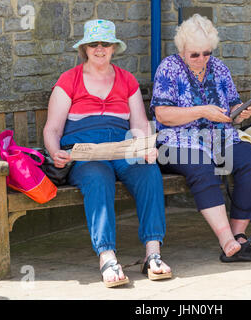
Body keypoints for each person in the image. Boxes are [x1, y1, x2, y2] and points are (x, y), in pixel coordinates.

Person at [43, 19, 172, 288]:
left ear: (114, 48)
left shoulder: (127, 80)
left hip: (122, 149)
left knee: (149, 172)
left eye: (105, 44)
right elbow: (53, 128)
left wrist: (144, 146)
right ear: (85, 49)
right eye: (93, 44)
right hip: (86, 153)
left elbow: (137, 124)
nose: (99, 49)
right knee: (98, 179)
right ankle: (107, 256)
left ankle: (153, 253)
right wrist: (55, 152)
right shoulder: (70, 80)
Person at [150, 14, 251, 263]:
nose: (202, 59)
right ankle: (226, 239)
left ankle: (239, 237)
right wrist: (202, 111)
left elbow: (232, 106)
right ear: (182, 50)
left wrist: (240, 113)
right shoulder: (168, 68)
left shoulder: (219, 68)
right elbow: (162, 113)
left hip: (219, 138)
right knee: (201, 166)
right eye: (195, 54)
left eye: (206, 53)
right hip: (177, 141)